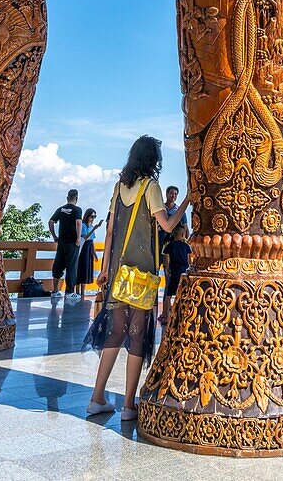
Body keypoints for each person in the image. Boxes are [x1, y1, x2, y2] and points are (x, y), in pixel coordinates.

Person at [84, 136, 190, 421]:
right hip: (141, 272)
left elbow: (109, 232)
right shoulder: (150, 186)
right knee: (136, 335)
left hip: (118, 273)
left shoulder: (119, 187)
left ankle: (97, 397)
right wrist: (187, 202)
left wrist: (104, 270)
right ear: (153, 160)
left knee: (114, 333)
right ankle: (129, 405)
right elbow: (166, 225)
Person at [49, 189, 82, 305]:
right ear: (76, 199)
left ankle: (55, 290)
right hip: (72, 243)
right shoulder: (77, 210)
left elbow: (51, 222)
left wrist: (54, 236)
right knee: (71, 267)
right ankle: (69, 292)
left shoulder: (61, 209)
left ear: (67, 198)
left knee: (58, 264)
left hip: (61, 242)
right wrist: (78, 238)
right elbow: (78, 222)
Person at [161, 222, 191, 325]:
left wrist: (167, 270)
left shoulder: (169, 246)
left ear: (173, 234)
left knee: (169, 295)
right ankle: (181, 317)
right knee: (183, 294)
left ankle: (167, 319)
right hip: (183, 273)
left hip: (174, 273)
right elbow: (189, 260)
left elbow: (167, 261)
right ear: (183, 235)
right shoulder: (186, 246)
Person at [76, 209, 103, 300]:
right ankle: (77, 292)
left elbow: (92, 242)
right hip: (83, 248)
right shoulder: (83, 226)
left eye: (94, 216)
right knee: (80, 269)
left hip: (89, 249)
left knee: (86, 270)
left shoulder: (91, 226)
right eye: (91, 216)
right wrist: (95, 228)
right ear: (87, 216)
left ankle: (83, 293)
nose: (93, 218)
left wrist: (95, 254)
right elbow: (85, 238)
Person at [158, 185, 188, 254]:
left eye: (175, 194)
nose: (173, 195)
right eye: (171, 193)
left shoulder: (179, 210)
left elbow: (185, 226)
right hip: (160, 234)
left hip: (174, 235)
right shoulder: (160, 207)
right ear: (167, 194)